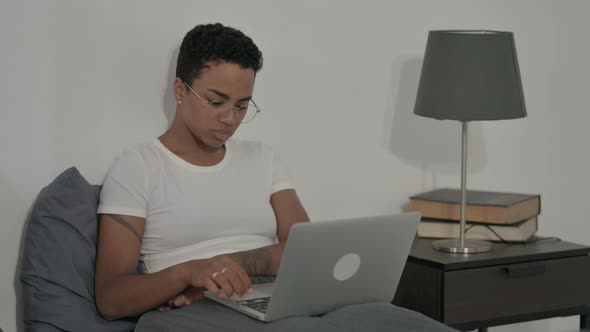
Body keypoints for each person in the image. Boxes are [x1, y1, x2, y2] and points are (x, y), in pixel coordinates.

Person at [95, 23, 310, 320]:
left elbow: (306, 252)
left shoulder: (263, 158)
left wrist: (225, 266)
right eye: (216, 101)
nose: (230, 119)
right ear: (180, 90)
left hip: (271, 295)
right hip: (194, 309)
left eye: (242, 106)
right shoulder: (138, 167)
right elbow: (112, 299)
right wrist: (190, 273)